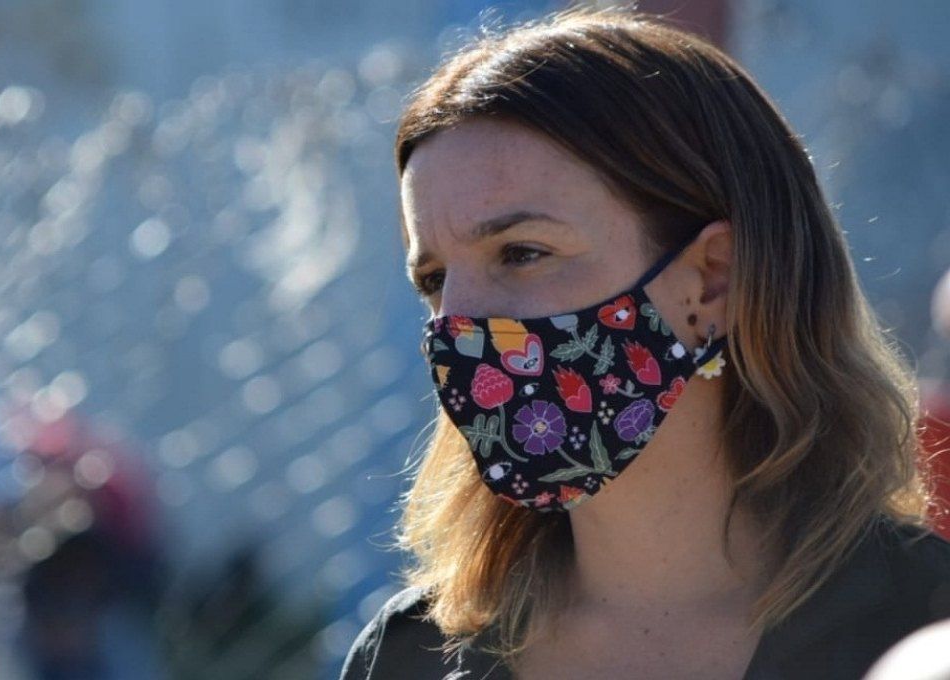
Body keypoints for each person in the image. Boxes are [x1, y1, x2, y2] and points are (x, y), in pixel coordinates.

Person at [341, 7, 950, 679]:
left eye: (522, 252)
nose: (455, 324)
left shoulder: (925, 629)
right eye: (433, 280)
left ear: (712, 279)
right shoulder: (408, 657)